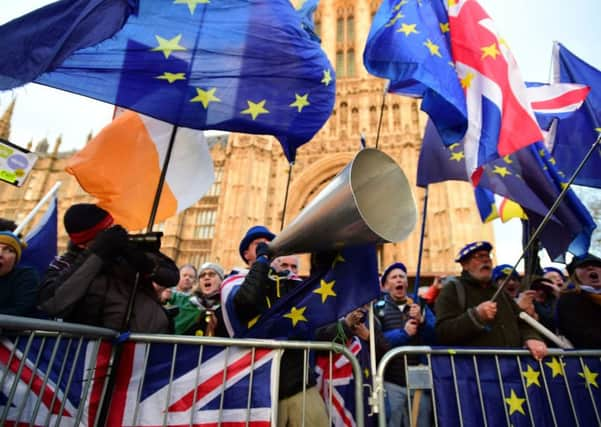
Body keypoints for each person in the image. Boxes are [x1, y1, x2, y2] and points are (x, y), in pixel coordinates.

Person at [221, 225, 329, 427]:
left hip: (299, 385)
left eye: (269, 244)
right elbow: (246, 303)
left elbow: (315, 301)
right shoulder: (232, 283)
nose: (266, 247)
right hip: (259, 389)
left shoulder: (286, 283)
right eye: (258, 244)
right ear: (246, 253)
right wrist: (262, 261)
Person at [38, 203, 178, 333]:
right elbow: (51, 303)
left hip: (150, 340)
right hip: (99, 347)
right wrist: (97, 255)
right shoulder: (66, 263)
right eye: (104, 233)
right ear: (83, 243)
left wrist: (145, 262)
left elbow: (172, 276)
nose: (111, 235)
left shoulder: (128, 248)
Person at [435, 241, 547, 360]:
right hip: (475, 371)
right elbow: (443, 332)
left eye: (488, 256)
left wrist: (532, 338)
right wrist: (476, 316)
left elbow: (522, 323)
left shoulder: (501, 293)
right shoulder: (453, 289)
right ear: (465, 265)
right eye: (479, 257)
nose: (486, 260)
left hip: (511, 368)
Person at [374, 262, 435, 427]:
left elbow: (435, 336)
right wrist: (404, 334)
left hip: (419, 381)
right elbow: (376, 339)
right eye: (394, 277)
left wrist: (422, 321)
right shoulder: (378, 308)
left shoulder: (419, 305)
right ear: (386, 286)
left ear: (407, 283)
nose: (399, 280)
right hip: (391, 382)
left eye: (402, 276)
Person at [171, 262, 228, 337]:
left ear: (221, 280)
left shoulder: (227, 307)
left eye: (211, 274)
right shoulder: (188, 304)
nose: (206, 277)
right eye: (202, 275)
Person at [556, 254, 601, 348]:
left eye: (597, 264)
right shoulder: (569, 299)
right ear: (574, 275)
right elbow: (583, 335)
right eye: (583, 265)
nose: (590, 267)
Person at [0, 231, 39, 316]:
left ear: (15, 260)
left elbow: (22, 310)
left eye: (9, 250)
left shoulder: (25, 276)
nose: (0, 254)